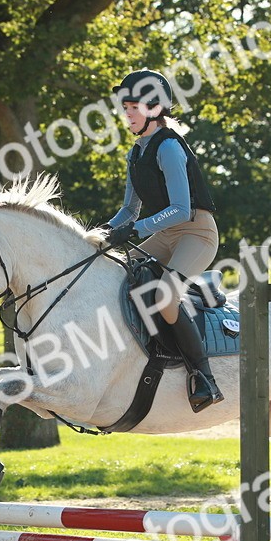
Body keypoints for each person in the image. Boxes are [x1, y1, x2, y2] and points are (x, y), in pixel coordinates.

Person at [102, 69, 223, 413]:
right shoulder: (136, 152)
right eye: (125, 107)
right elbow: (129, 209)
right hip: (165, 234)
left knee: (165, 297)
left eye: (134, 107)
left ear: (154, 109)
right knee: (116, 275)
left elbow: (182, 209)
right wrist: (102, 233)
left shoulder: (169, 146)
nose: (127, 114)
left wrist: (136, 229)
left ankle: (204, 377)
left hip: (197, 233)